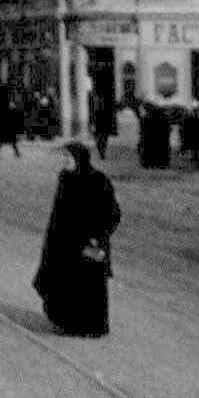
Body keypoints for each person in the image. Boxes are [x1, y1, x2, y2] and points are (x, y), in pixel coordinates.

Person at [32, 142, 122, 337]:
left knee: (87, 285)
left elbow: (113, 213)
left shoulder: (98, 181)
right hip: (64, 242)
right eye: (63, 157)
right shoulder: (65, 178)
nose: (65, 160)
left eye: (69, 157)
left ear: (79, 159)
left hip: (89, 242)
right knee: (63, 281)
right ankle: (65, 323)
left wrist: (98, 236)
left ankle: (90, 327)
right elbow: (58, 213)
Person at [0, 91, 24, 158]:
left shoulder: (8, 104)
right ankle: (16, 153)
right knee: (6, 140)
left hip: (8, 125)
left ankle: (16, 153)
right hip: (7, 125)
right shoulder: (6, 104)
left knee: (9, 140)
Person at [90, 92, 117, 162]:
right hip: (98, 127)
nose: (98, 101)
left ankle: (102, 153)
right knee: (99, 140)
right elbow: (92, 118)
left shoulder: (103, 108)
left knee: (103, 140)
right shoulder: (93, 109)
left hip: (103, 126)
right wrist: (92, 125)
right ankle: (101, 153)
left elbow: (108, 117)